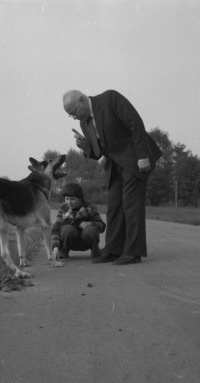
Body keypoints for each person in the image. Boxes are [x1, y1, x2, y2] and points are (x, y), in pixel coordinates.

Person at [62, 89, 162, 265]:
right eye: (71, 115)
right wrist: (85, 147)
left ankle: (133, 252)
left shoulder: (110, 99)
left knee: (131, 206)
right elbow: (97, 153)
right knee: (114, 207)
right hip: (114, 164)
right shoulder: (85, 124)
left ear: (82, 100)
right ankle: (113, 250)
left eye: (74, 112)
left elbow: (135, 123)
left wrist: (143, 156)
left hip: (134, 159)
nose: (74, 117)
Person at [51, 182, 106, 260]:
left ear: (80, 198)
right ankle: (62, 252)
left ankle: (95, 251)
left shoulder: (91, 208)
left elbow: (102, 226)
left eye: (73, 199)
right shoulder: (63, 209)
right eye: (67, 199)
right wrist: (55, 247)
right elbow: (55, 229)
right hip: (70, 241)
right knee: (67, 229)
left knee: (90, 230)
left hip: (86, 241)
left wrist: (91, 223)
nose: (69, 202)